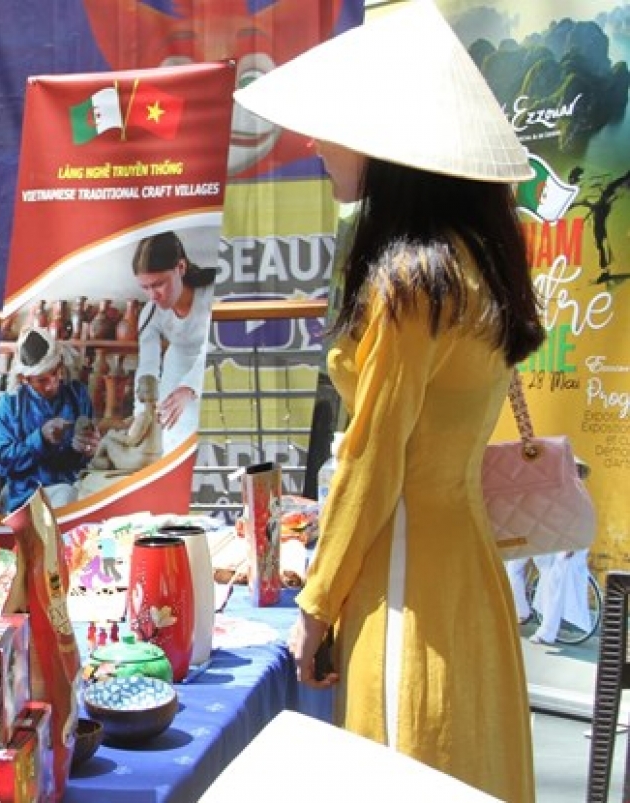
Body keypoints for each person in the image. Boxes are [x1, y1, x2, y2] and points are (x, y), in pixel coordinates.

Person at [234, 3, 545, 800]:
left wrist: (315, 603)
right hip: (464, 583)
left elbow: (372, 464)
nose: (311, 142)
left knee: (404, 771)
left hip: (406, 586)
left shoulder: (411, 283)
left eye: (331, 125)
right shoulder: (475, 258)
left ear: (389, 143)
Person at [0, 326, 100, 513]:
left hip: (74, 484)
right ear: (25, 379)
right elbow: (0, 462)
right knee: (66, 498)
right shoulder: (10, 404)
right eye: (42, 380)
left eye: (55, 373)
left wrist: (89, 449)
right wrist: (40, 439)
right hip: (27, 493)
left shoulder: (77, 394)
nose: (52, 385)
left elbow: (83, 460)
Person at [130, 230, 216, 455]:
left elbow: (212, 347)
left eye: (158, 284)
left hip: (213, 364)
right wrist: (142, 411)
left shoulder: (212, 297)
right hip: (176, 364)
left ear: (181, 268)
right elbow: (147, 365)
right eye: (145, 288)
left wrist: (189, 388)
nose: (152, 296)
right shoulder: (150, 312)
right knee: (171, 435)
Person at [506, 550, 593, 645]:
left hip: (564, 545)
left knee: (552, 579)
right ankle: (522, 611)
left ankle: (547, 631)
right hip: (540, 539)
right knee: (513, 567)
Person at [89, 373, 162, 471]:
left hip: (139, 460)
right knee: (115, 437)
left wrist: (113, 434)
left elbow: (131, 441)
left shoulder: (144, 416)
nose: (136, 391)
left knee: (107, 440)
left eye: (138, 389)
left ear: (145, 392)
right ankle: (104, 462)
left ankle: (96, 463)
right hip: (154, 459)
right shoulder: (158, 414)